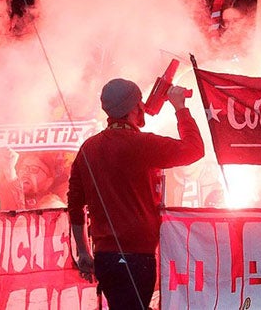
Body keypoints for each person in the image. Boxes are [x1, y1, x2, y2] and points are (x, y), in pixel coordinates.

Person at [68, 78, 204, 309]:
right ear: (135, 107)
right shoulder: (141, 144)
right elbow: (194, 149)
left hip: (105, 258)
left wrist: (82, 251)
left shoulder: (88, 149)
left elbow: (74, 203)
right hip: (138, 256)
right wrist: (180, 108)